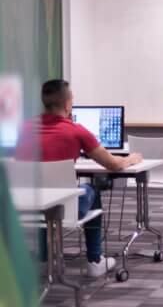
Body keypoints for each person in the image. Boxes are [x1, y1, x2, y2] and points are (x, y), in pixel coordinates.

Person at [15, 79, 142, 277]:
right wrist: (131, 158)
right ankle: (94, 260)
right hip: (66, 209)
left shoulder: (24, 128)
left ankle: (42, 259)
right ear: (67, 103)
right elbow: (113, 164)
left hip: (29, 207)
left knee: (44, 197)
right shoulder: (75, 130)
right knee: (93, 191)